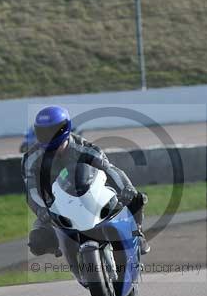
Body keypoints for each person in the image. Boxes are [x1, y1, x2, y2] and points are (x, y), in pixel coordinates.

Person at [22, 105, 150, 256]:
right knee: (37, 242)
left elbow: (110, 170)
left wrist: (127, 188)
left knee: (137, 198)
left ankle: (137, 233)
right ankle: (61, 248)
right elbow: (31, 190)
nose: (48, 136)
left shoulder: (86, 149)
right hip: (56, 207)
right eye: (43, 132)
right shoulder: (31, 158)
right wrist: (41, 209)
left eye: (52, 131)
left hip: (93, 198)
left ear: (64, 129)